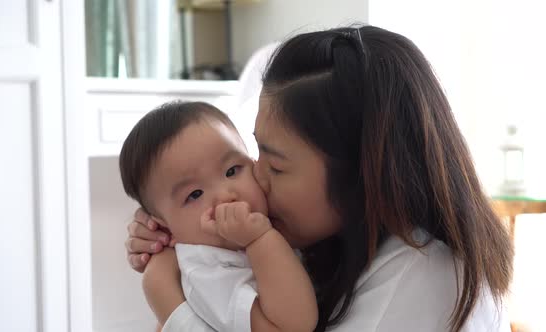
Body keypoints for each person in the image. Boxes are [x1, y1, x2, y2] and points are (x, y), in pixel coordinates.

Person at [125, 25, 514, 331]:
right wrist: (177, 241)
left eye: (275, 167)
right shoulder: (329, 244)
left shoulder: (424, 278)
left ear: (363, 176)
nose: (254, 181)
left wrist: (169, 301)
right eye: (255, 153)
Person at [119, 101, 317, 331]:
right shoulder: (207, 269)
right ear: (164, 226)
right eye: (194, 194)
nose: (225, 196)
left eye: (232, 171)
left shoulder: (275, 218)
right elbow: (295, 325)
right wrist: (259, 240)